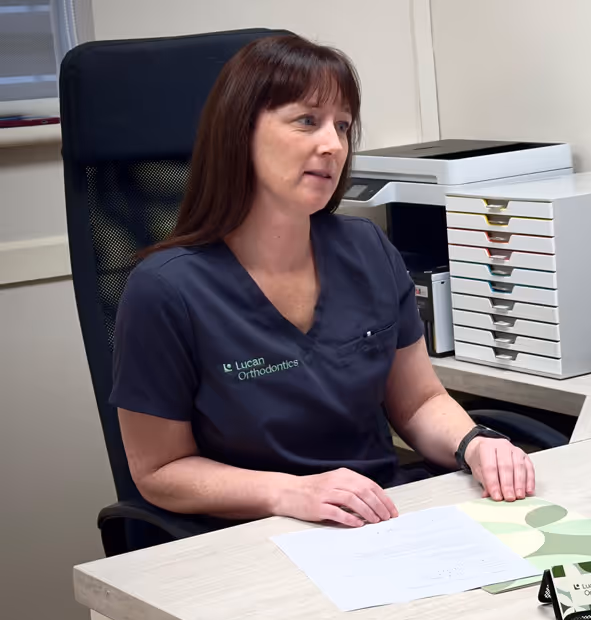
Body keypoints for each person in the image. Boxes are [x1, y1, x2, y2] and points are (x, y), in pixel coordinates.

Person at [111, 34, 535, 529]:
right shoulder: (165, 290)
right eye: (306, 121)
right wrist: (290, 492)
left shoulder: (368, 250)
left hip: (380, 519)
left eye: (343, 126)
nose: (333, 145)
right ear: (239, 133)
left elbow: (418, 401)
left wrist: (474, 444)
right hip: (253, 536)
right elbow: (159, 471)